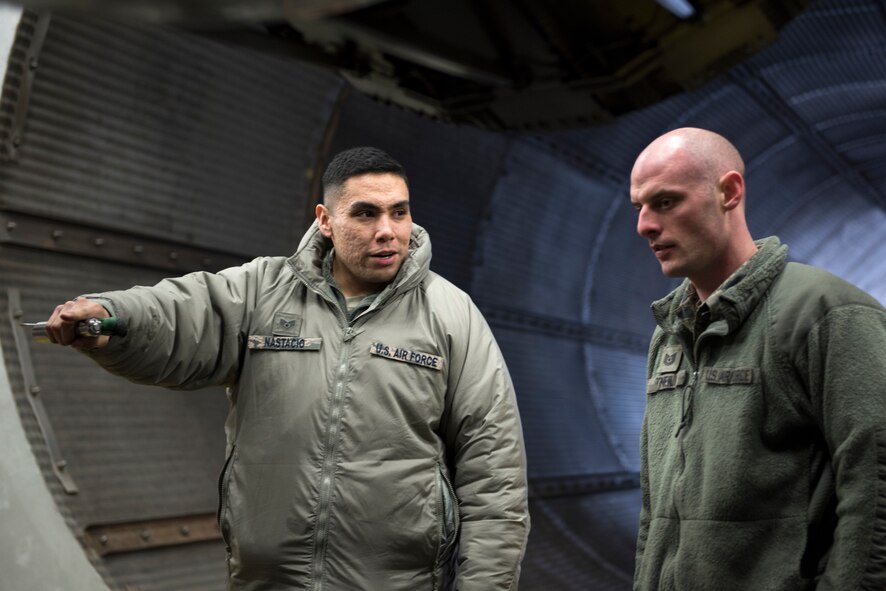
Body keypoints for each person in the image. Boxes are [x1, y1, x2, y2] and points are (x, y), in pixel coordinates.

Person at [45, 147, 530, 590]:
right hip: (269, 580)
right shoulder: (262, 291)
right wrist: (109, 318)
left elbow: (495, 474)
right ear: (325, 220)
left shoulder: (450, 314)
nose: (388, 230)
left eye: (398, 212)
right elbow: (180, 313)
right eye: (365, 213)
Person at [629, 127, 886, 590]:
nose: (645, 225)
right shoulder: (669, 335)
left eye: (665, 202)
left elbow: (876, 480)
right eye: (639, 207)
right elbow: (655, 511)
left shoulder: (825, 313)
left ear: (728, 192)